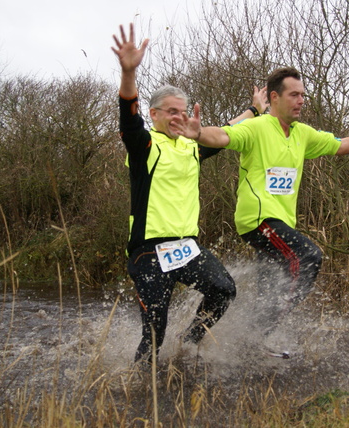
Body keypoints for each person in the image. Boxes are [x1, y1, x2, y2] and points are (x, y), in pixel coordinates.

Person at [177, 66, 349, 327]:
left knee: (270, 286)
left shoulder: (303, 134)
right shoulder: (257, 127)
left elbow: (342, 145)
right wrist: (200, 133)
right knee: (308, 257)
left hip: (282, 224)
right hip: (259, 221)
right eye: (294, 95)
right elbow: (224, 135)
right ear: (275, 98)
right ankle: (261, 333)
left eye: (303, 95)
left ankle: (237, 345)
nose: (301, 100)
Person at [111, 23, 268, 363]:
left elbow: (229, 131)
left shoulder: (191, 147)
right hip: (149, 252)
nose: (179, 117)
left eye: (182, 112)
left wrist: (254, 111)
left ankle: (189, 343)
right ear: (154, 115)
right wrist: (128, 74)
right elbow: (128, 119)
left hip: (186, 248)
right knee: (154, 332)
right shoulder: (145, 146)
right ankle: (140, 392)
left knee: (224, 290)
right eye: (171, 111)